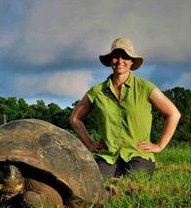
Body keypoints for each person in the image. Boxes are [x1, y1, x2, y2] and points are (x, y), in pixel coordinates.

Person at [70, 37, 181, 178]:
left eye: (125, 56)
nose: (120, 61)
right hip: (108, 155)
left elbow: (174, 114)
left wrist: (159, 145)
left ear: (132, 61)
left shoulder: (145, 87)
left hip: (137, 154)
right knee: (96, 183)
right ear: (110, 60)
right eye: (116, 56)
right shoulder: (97, 92)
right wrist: (89, 144)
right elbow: (75, 118)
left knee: (132, 182)